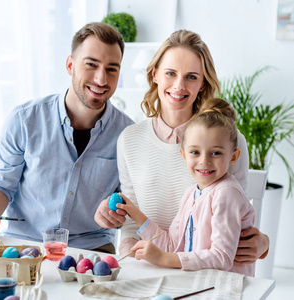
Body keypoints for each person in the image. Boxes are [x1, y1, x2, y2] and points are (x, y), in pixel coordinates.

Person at [94, 29, 269, 263]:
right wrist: (129, 259)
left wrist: (263, 244)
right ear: (155, 74)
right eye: (170, 73)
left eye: (191, 77)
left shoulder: (229, 141)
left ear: (202, 83)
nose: (179, 85)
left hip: (206, 274)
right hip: (148, 267)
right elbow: (129, 225)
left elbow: (235, 221)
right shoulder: (130, 139)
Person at [0, 22, 134, 253]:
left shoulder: (128, 135)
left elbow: (129, 198)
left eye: (111, 69)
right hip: (25, 242)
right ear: (70, 65)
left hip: (92, 246)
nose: (101, 79)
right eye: (91, 65)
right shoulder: (24, 120)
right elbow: (0, 184)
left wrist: (117, 213)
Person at [118, 98, 255, 276]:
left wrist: (163, 258)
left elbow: (222, 257)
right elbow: (173, 246)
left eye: (216, 153)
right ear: (183, 154)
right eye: (195, 152)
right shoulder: (192, 193)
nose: (204, 161)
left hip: (225, 287)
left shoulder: (227, 193)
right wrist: (136, 215)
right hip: (197, 282)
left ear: (233, 156)